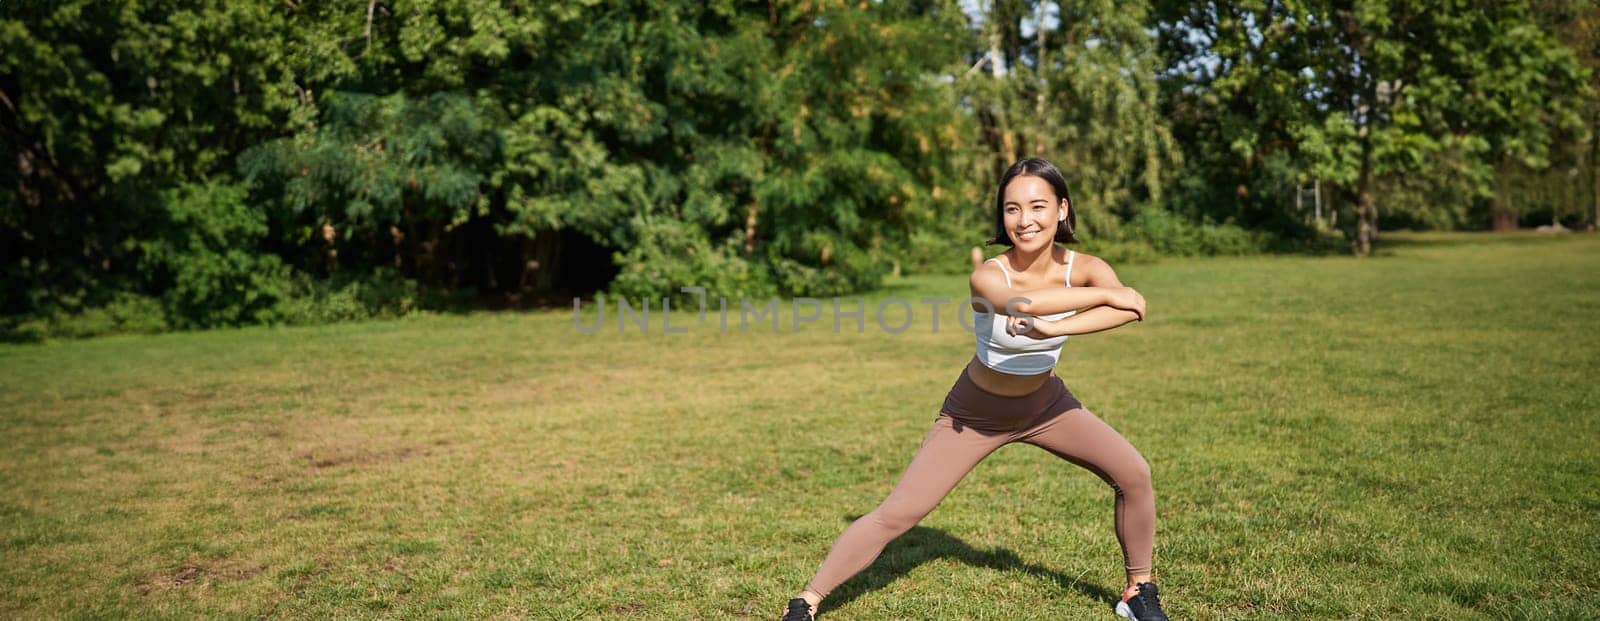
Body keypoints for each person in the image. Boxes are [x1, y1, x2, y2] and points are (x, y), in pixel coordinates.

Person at [780, 158, 1170, 621]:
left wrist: (1055, 329)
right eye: (1011, 209)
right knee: (899, 514)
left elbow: (1132, 307)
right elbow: (1028, 303)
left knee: (1133, 474)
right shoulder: (988, 275)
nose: (1024, 220)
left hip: (1047, 406)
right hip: (975, 414)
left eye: (1038, 206)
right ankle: (806, 601)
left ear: (1063, 209)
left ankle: (1138, 590)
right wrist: (1105, 295)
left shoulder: (1086, 268)